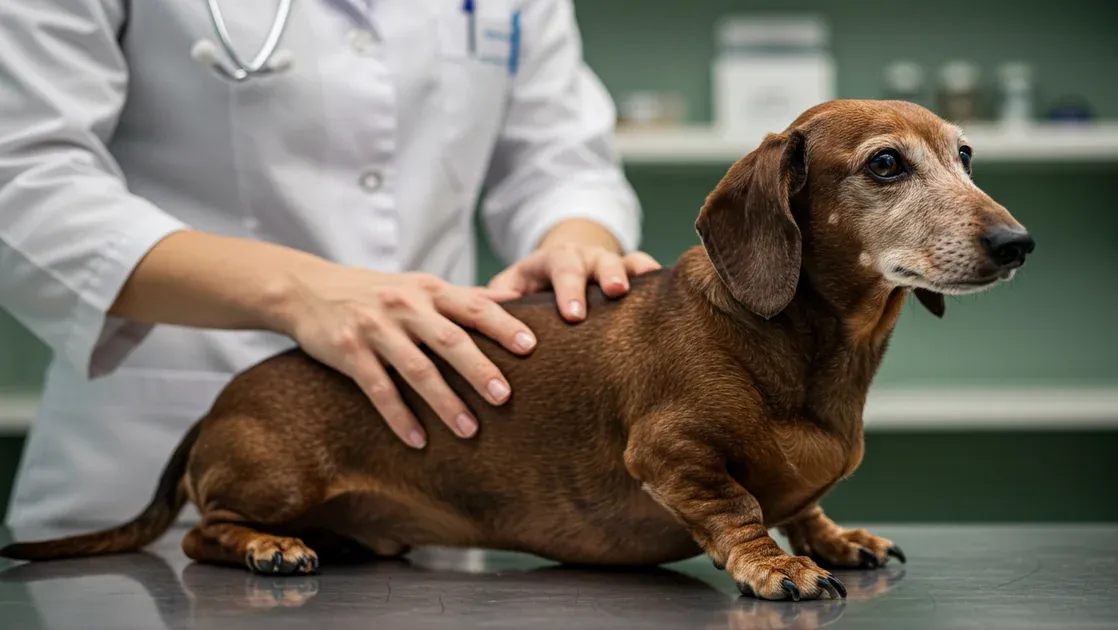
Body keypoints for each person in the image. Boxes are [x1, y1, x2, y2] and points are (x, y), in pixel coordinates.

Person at [0, 1, 658, 528]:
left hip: (430, 472)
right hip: (167, 440)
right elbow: (23, 176)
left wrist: (576, 240)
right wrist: (296, 291)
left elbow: (561, 158)